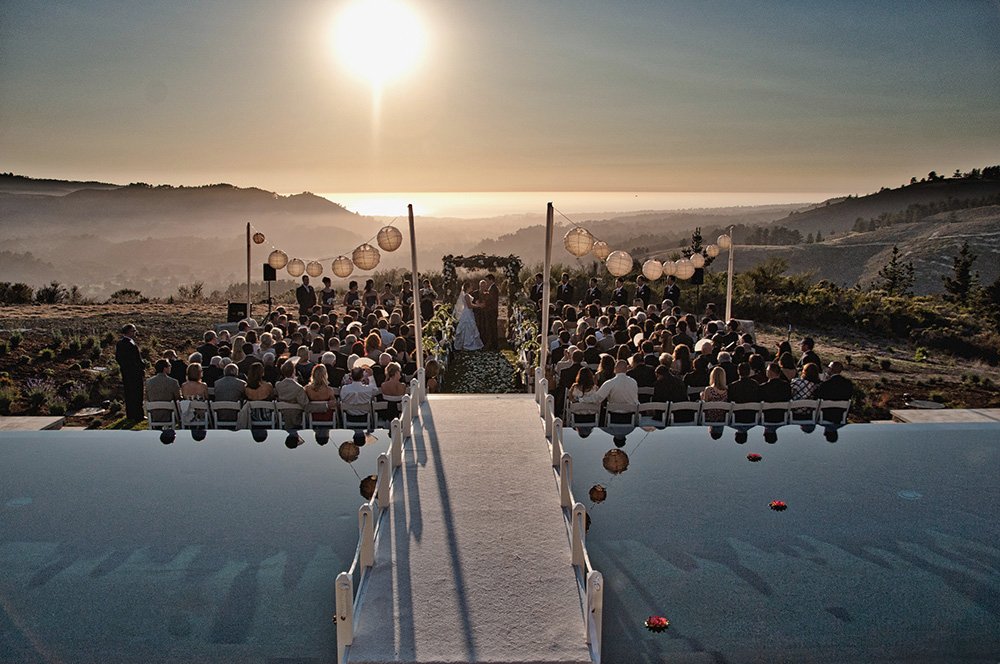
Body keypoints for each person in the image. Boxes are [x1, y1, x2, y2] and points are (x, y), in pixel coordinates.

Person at [115, 323, 146, 420]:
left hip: (126, 373)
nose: (135, 332)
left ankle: (130, 414)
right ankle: (138, 415)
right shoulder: (130, 344)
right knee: (137, 394)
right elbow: (135, 359)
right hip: (135, 373)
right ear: (128, 332)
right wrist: (141, 366)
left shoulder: (120, 344)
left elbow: (118, 358)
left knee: (129, 394)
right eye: (133, 331)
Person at [275, 360, 309, 427]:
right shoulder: (299, 388)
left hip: (282, 417)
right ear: (294, 371)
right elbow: (305, 404)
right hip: (296, 418)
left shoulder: (278, 385)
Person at [453, 281, 485, 351]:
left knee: (468, 327)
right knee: (468, 327)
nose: (472, 287)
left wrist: (477, 304)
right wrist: (479, 306)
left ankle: (466, 344)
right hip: (467, 312)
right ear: (467, 287)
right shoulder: (466, 295)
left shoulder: (466, 295)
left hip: (467, 312)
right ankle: (468, 344)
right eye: (470, 286)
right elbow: (469, 306)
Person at [484, 273, 500, 351]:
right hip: (491, 311)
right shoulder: (492, 288)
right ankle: (493, 344)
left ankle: (494, 345)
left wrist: (485, 300)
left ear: (491, 280)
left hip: (492, 311)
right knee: (491, 328)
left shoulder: (494, 288)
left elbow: (492, 300)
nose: (486, 282)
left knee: (493, 328)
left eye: (487, 280)